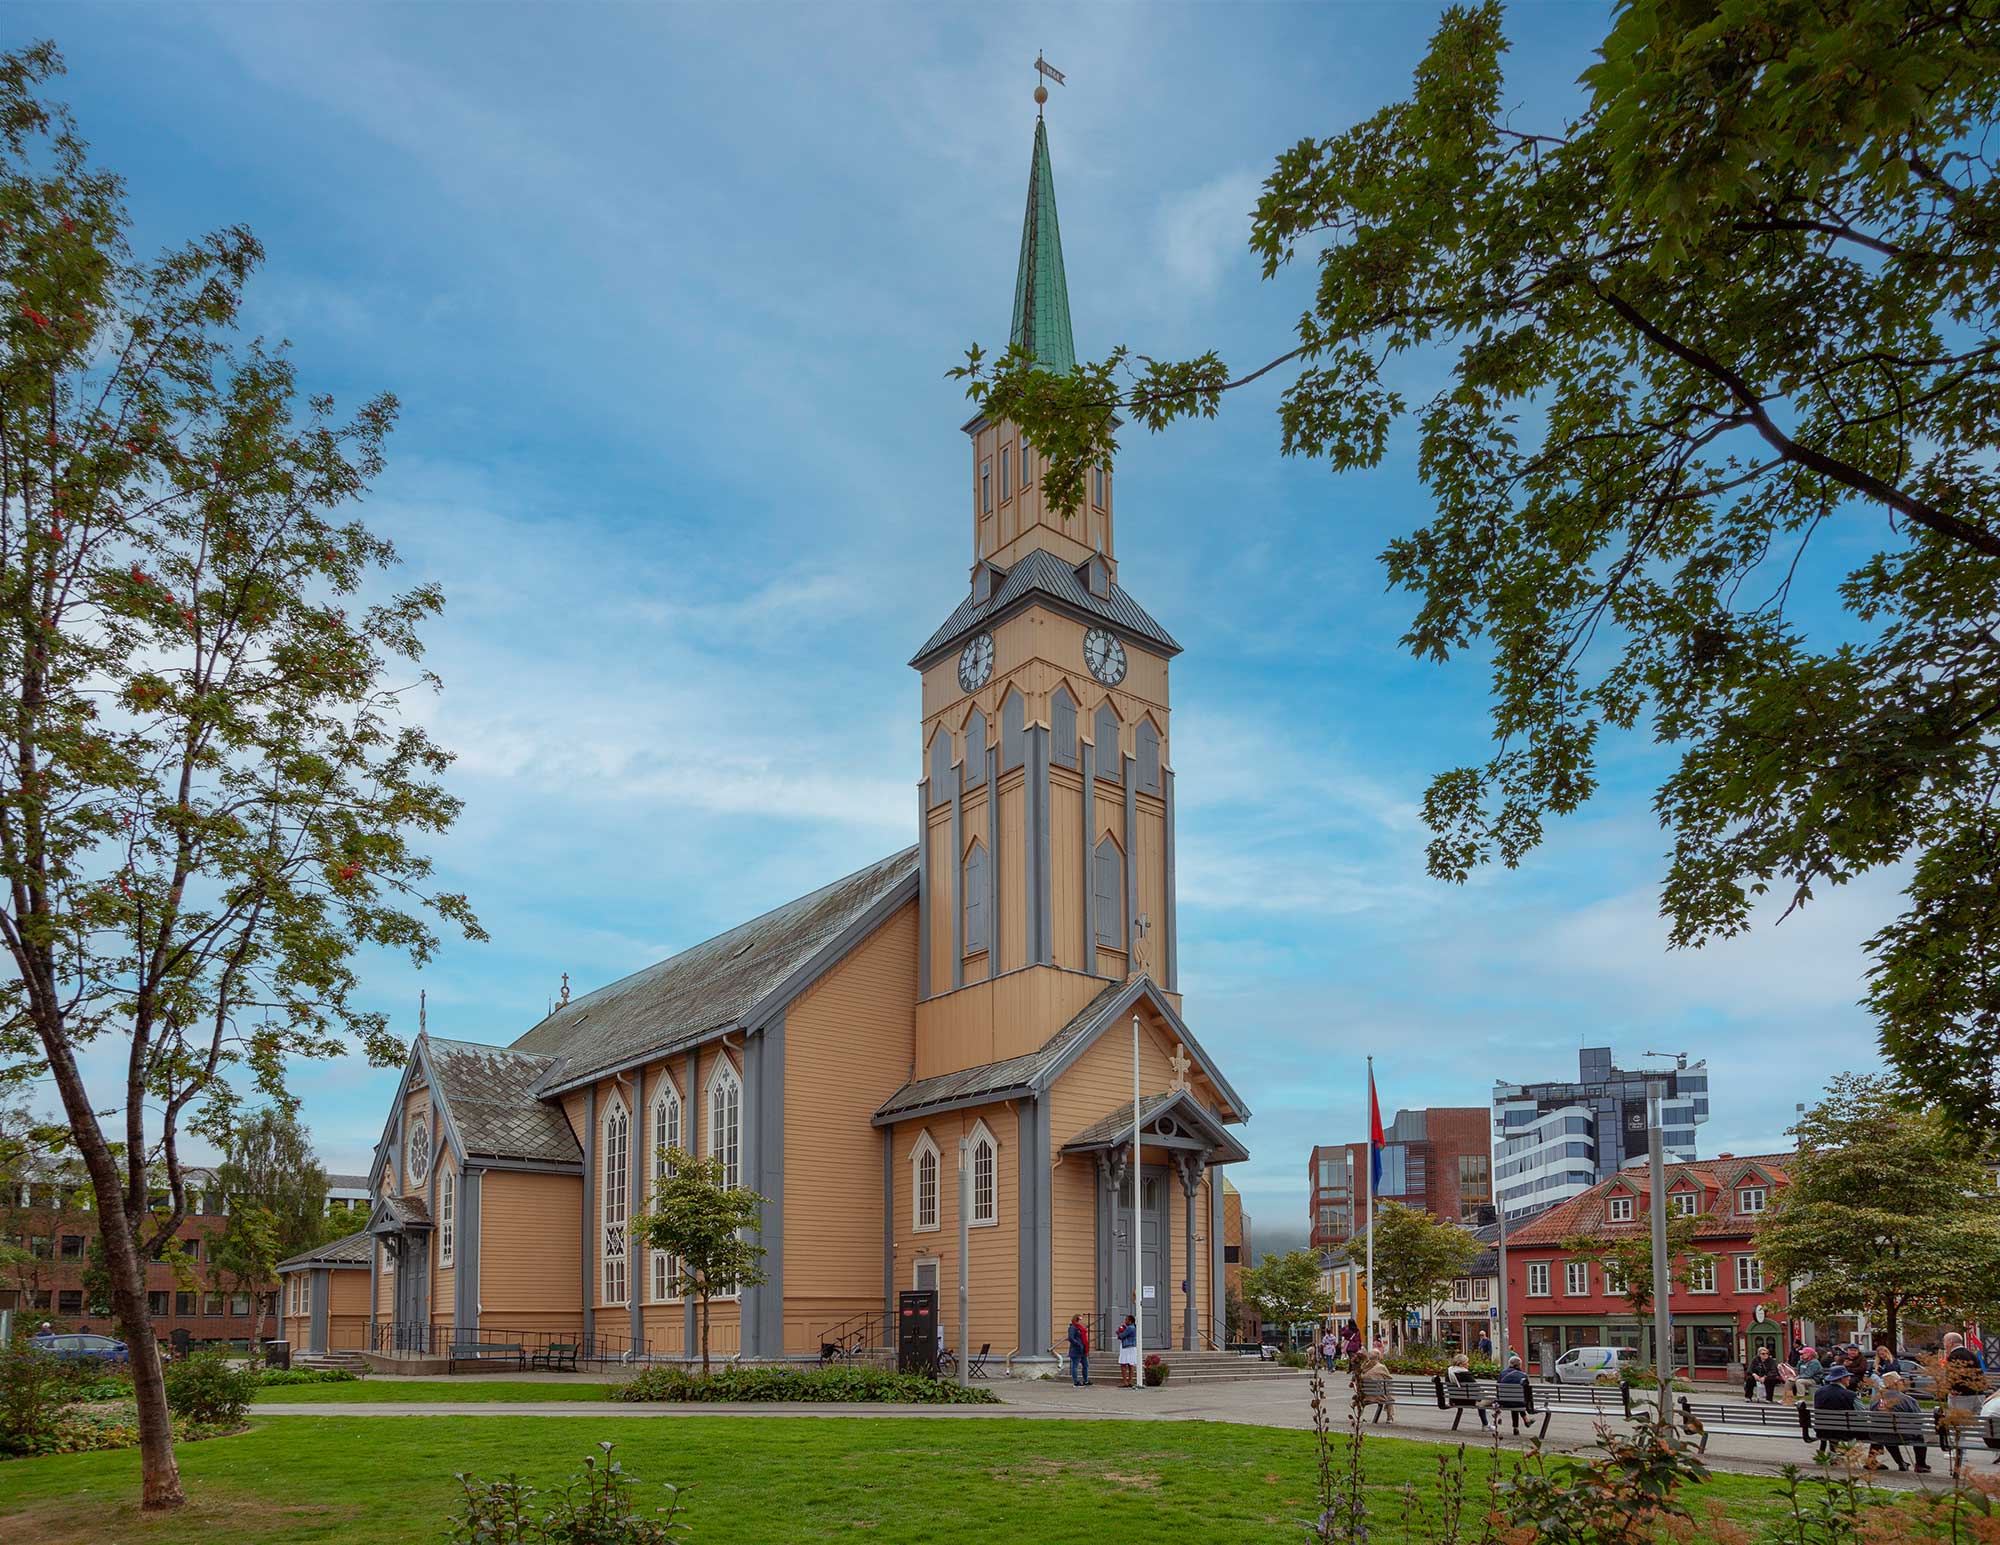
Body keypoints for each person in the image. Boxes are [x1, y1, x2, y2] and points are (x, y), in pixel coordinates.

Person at [1873, 1373, 1929, 1473]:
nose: (1903, 1383)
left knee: (1886, 1432)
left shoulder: (1876, 1399)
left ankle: (1900, 1462)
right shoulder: (1907, 1400)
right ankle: (1920, 1464)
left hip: (1879, 1434)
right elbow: (1919, 1420)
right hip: (1903, 1435)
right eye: (1901, 1381)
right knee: (1920, 1435)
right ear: (1896, 1383)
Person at [1811, 1365, 1857, 1455]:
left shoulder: (1819, 1392)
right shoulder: (1850, 1395)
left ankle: (1832, 1455)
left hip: (1822, 1430)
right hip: (1844, 1432)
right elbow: (1861, 1413)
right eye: (1847, 1376)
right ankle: (1869, 1459)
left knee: (1834, 1426)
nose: (1849, 1378)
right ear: (1841, 1379)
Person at [1447, 1351, 1489, 1428]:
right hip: (1469, 1400)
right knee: (1485, 1398)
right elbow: (1476, 1388)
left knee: (1482, 1398)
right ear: (1460, 1364)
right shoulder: (1465, 1374)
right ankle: (1485, 1424)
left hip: (1455, 1400)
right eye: (1467, 1363)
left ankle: (1485, 1424)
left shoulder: (1449, 1373)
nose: (1468, 1364)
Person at [1495, 1353, 1531, 1436]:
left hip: (1503, 1401)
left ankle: (1517, 1426)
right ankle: (1523, 1421)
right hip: (1519, 1402)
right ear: (1520, 1365)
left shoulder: (1502, 1374)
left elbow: (1498, 1387)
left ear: (1509, 1364)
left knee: (1513, 1400)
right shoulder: (1523, 1375)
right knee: (1517, 1401)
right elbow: (1527, 1391)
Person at [1354, 1356, 1395, 1423]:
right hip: (1379, 1397)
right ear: (1378, 1358)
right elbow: (1389, 1379)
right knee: (1389, 1396)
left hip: (1365, 1397)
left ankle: (1359, 1416)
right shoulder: (1381, 1367)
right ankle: (1390, 1417)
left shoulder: (1364, 1368)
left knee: (1385, 1393)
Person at [1066, 1315, 1091, 1388]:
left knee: (1085, 1365)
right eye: (1079, 1319)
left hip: (1083, 1350)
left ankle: (1085, 1380)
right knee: (1075, 1366)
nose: (1080, 1321)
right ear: (1075, 1319)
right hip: (1076, 1350)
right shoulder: (1072, 1328)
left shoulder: (1080, 1328)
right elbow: (1071, 1338)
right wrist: (1078, 1344)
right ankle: (1076, 1382)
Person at [1115, 1315, 1138, 1388]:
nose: (1125, 1321)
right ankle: (1130, 1381)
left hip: (1127, 1347)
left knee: (1123, 1364)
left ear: (1130, 1321)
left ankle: (1125, 1382)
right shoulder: (1133, 1327)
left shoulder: (1130, 1328)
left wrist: (1118, 1332)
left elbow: (1122, 1336)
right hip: (1132, 1347)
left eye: (1126, 1320)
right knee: (1131, 1364)